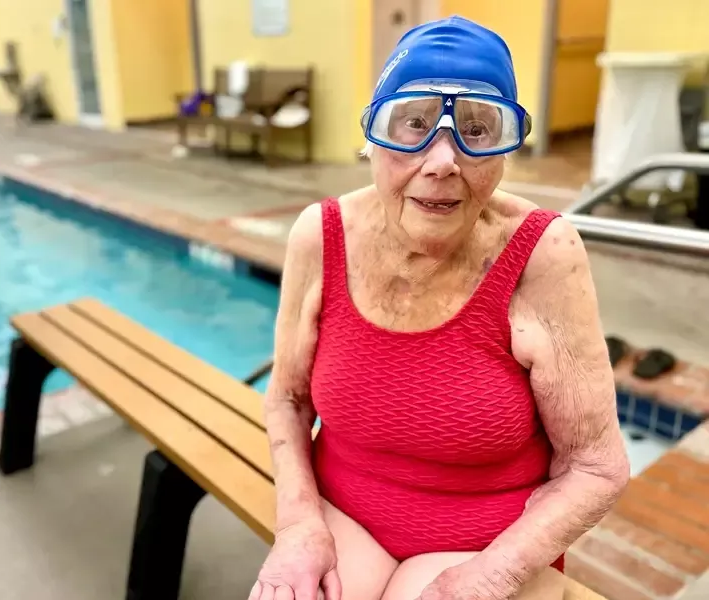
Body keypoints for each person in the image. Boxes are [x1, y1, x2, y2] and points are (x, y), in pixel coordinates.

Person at [252, 16, 630, 600]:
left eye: (479, 130)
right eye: (412, 124)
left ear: (507, 151)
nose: (441, 161)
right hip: (342, 517)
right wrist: (299, 524)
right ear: (374, 139)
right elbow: (288, 399)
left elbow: (597, 467)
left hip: (486, 543)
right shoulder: (321, 235)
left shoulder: (542, 253)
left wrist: (493, 575)